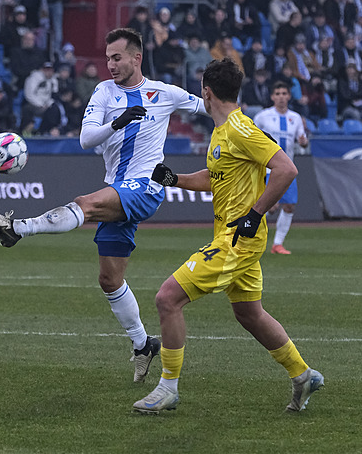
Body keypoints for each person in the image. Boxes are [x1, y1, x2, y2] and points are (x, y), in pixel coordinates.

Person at [0, 28, 206, 383]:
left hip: (147, 186)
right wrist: (118, 121)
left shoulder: (165, 93)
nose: (111, 64)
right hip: (118, 187)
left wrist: (242, 130)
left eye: (117, 58)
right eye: (108, 58)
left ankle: (15, 229)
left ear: (136, 58)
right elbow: (86, 139)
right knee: (109, 279)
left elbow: (210, 108)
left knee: (85, 203)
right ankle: (143, 345)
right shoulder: (103, 92)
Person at [132, 58, 323, 414]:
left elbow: (286, 169)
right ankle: (302, 374)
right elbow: (214, 176)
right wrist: (175, 179)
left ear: (206, 92)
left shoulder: (240, 129)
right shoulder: (223, 133)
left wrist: (254, 214)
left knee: (167, 298)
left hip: (238, 238)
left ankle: (167, 387)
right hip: (234, 235)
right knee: (249, 313)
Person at [253, 81, 309, 254]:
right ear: (272, 97)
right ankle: (249, 229)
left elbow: (303, 141)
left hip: (288, 168)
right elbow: (251, 138)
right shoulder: (263, 116)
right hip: (269, 168)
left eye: (284, 93)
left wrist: (303, 142)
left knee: (289, 206)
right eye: (277, 94)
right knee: (271, 206)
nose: (281, 97)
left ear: (289, 96)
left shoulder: (296, 118)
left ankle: (277, 244)